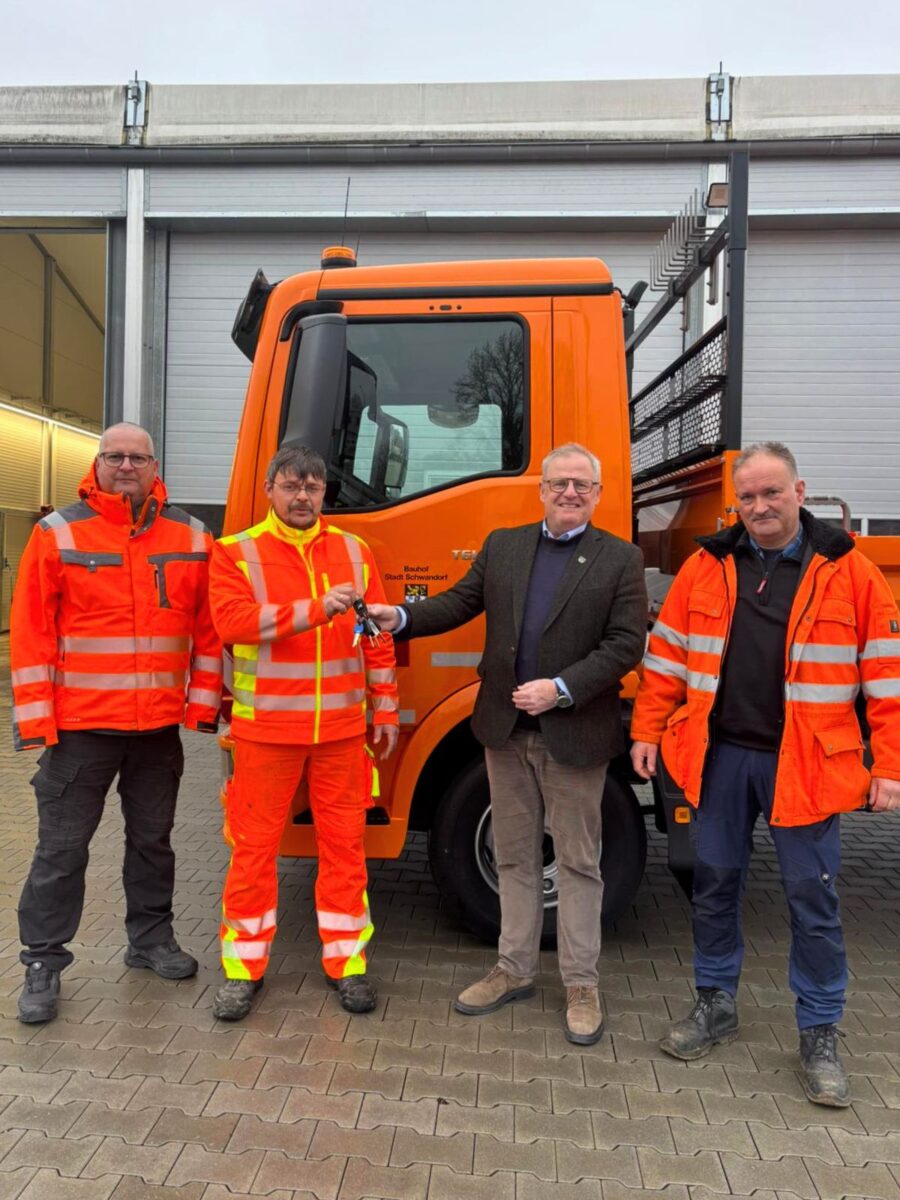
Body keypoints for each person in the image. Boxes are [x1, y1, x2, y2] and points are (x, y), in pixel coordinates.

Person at [631, 441, 900, 1107]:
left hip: (805, 765)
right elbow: (665, 658)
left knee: (813, 900)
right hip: (720, 758)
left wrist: (889, 767)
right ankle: (714, 1004)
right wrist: (646, 731)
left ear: (799, 491)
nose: (759, 507)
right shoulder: (708, 566)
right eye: (747, 497)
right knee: (715, 884)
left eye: (771, 493)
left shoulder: (851, 571)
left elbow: (887, 679)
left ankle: (820, 1031)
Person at [368, 443, 646, 1044]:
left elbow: (626, 645)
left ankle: (580, 984)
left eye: (581, 484)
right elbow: (459, 602)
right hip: (503, 730)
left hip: (573, 733)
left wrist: (562, 689)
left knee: (577, 862)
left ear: (597, 494)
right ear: (541, 490)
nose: (569, 492)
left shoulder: (619, 558)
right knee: (515, 856)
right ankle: (514, 968)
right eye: (559, 483)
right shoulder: (505, 546)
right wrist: (402, 616)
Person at [11, 422, 223, 1024]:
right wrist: (37, 723)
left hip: (156, 732)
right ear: (98, 463)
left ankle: (150, 940)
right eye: (115, 456)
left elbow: (208, 631)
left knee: (153, 843)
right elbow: (31, 633)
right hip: (80, 732)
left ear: (155, 465)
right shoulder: (57, 533)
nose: (126, 465)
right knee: (62, 849)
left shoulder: (193, 535)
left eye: (138, 456)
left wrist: (202, 708)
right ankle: (43, 961)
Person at [207, 444, 399, 1021]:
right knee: (253, 853)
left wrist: (384, 708)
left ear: (324, 494)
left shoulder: (354, 550)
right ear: (269, 490)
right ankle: (243, 971)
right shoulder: (235, 553)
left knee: (345, 852)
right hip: (265, 732)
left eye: (313, 487)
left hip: (341, 733)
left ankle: (349, 965)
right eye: (291, 485)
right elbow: (234, 624)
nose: (302, 496)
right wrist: (316, 608)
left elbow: (377, 636)